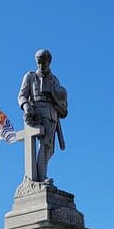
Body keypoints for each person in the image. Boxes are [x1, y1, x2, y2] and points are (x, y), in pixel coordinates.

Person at [18, 49, 68, 184]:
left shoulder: (54, 80)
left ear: (49, 62)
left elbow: (61, 100)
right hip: (37, 113)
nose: (41, 66)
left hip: (52, 115)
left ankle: (38, 176)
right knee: (45, 145)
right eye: (39, 63)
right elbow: (22, 95)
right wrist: (26, 106)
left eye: (43, 63)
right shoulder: (30, 76)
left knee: (50, 149)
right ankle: (41, 177)